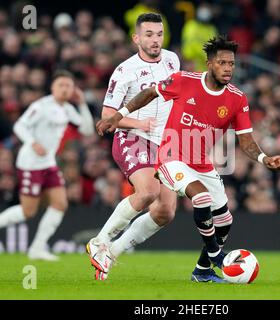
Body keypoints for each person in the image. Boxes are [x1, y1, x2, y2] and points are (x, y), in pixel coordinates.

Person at [96, 35, 280, 282]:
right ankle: (217, 257)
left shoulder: (237, 98)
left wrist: (264, 158)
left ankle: (203, 271)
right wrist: (119, 115)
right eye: (222, 63)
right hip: (170, 157)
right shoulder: (183, 80)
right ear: (209, 64)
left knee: (225, 220)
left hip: (201, 164)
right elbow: (149, 93)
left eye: (231, 63)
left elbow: (246, 141)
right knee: (201, 197)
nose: (228, 68)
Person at [86, 13, 180, 280]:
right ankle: (100, 242)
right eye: (149, 34)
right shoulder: (124, 70)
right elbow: (107, 115)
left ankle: (112, 253)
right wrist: (139, 124)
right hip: (132, 137)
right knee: (148, 191)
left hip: (165, 142)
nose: (155, 40)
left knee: (165, 212)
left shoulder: (173, 59)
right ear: (136, 38)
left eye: (159, 34)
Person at [0, 70, 94, 261]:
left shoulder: (67, 108)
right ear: (53, 87)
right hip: (30, 163)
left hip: (48, 163)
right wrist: (32, 142)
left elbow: (87, 129)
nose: (65, 89)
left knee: (60, 204)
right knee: (28, 211)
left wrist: (82, 104)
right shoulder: (41, 106)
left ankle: (36, 248)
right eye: (61, 85)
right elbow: (20, 125)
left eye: (69, 86)